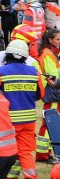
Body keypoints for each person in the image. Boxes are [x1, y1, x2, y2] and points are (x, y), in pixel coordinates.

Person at [0, 39, 44, 179]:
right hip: (28, 120)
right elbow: (40, 94)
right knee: (25, 152)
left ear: (7, 54)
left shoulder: (0, 72)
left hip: (8, 120)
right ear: (25, 56)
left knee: (5, 152)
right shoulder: (34, 72)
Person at [36, 29, 60, 163]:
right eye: (58, 39)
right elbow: (53, 77)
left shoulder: (51, 53)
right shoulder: (47, 54)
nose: (59, 42)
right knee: (49, 123)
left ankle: (44, 152)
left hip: (54, 92)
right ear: (50, 40)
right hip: (53, 92)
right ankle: (42, 154)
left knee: (50, 123)